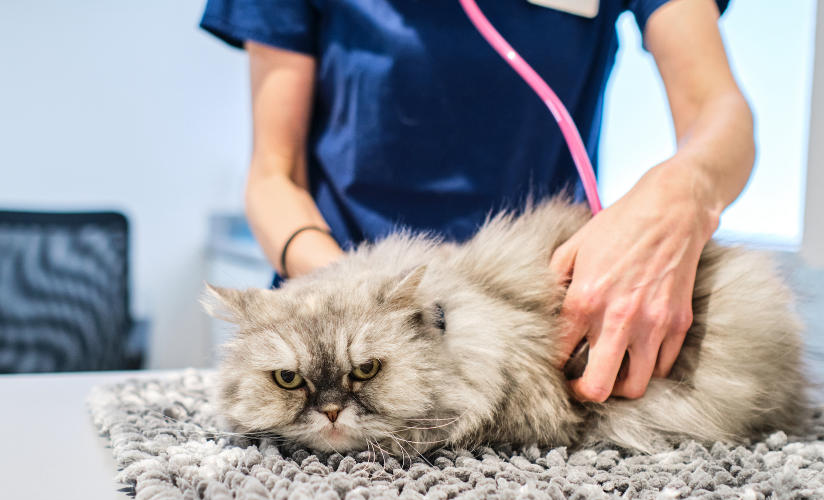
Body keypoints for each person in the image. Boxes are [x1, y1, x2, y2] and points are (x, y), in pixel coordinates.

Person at [199, 0, 754, 404]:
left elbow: (721, 117)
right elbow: (273, 176)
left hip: (542, 324)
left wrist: (680, 194)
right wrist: (353, 297)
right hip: (348, 322)